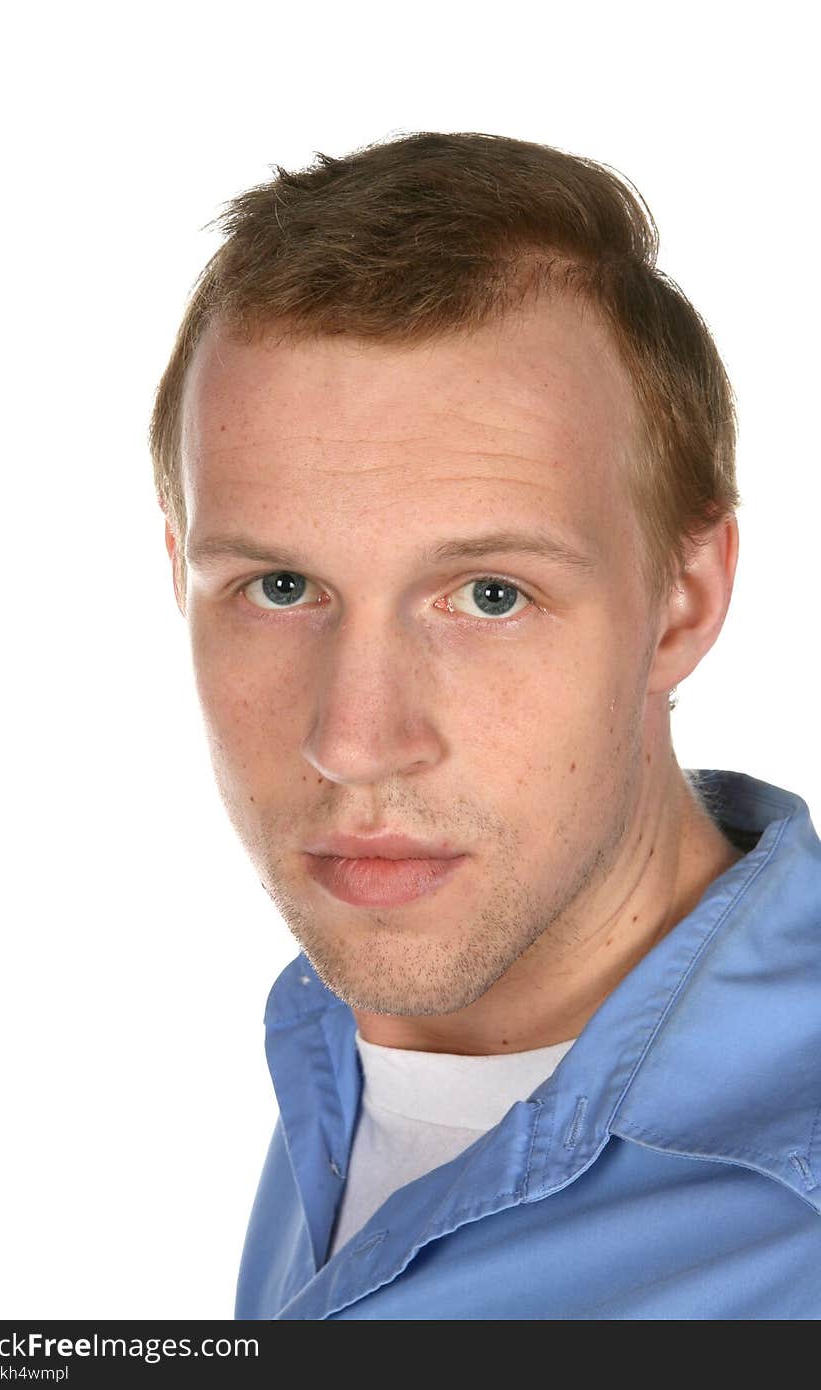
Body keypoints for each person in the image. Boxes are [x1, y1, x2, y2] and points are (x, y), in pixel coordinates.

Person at [148, 131, 821, 1320]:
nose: (353, 742)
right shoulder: (343, 1051)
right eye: (281, 588)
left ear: (685, 599)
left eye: (490, 596)